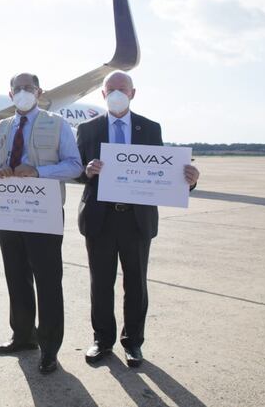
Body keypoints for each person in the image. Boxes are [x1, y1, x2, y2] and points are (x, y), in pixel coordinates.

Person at [76, 71, 200, 367]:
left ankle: (133, 342)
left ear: (133, 93)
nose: (117, 93)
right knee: (101, 284)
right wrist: (87, 170)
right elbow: (75, 169)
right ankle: (102, 340)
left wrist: (189, 181)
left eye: (122, 88)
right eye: (111, 90)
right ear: (103, 95)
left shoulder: (150, 128)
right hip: (100, 218)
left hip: (136, 219)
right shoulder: (87, 128)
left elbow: (164, 172)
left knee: (136, 284)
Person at [0, 72, 83, 374]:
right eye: (17, 88)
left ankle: (49, 347)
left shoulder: (58, 123)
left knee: (48, 281)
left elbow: (75, 165)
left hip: (44, 212)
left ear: (39, 92)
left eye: (28, 88)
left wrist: (38, 171)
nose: (23, 92)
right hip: (9, 211)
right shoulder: (1, 127)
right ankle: (22, 336)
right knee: (16, 276)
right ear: (9, 94)